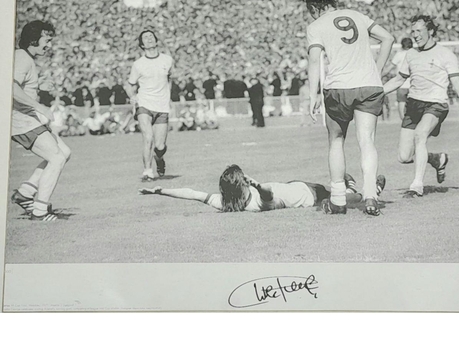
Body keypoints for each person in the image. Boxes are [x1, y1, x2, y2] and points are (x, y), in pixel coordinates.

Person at [306, 0, 395, 216]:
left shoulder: (316, 26)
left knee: (336, 139)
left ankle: (337, 200)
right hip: (368, 84)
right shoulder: (357, 15)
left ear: (315, 8)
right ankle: (371, 197)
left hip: (338, 88)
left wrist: (313, 94)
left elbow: (315, 60)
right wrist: (377, 70)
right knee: (367, 141)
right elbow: (388, 38)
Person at [383, 15, 459, 198]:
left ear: (430, 31)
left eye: (419, 31)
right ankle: (437, 159)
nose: (415, 35)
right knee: (404, 156)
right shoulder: (411, 54)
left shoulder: (445, 54)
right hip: (413, 104)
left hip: (436, 104)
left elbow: (457, 84)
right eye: (413, 31)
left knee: (420, 135)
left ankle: (416, 186)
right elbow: (399, 79)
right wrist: (377, 92)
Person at [10, 21, 71, 221]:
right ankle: (39, 211)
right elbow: (11, 87)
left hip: (28, 119)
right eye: (47, 40)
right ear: (34, 39)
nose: (49, 45)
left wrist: (39, 87)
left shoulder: (26, 58)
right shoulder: (22, 58)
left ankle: (25, 193)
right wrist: (40, 106)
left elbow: (21, 85)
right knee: (57, 158)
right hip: (21, 120)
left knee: (64, 152)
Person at [139, 164, 386, 213]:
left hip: (292, 186)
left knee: (336, 190)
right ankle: (368, 189)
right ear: (242, 184)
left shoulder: (225, 203)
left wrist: (160, 191)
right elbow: (267, 194)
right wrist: (257, 183)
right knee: (344, 197)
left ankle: (352, 184)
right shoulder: (258, 201)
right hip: (306, 194)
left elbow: (192, 194)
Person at [127, 30, 174, 181]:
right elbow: (130, 85)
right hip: (144, 103)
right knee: (148, 137)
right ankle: (147, 171)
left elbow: (170, 78)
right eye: (145, 38)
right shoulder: (138, 64)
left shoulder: (167, 60)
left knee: (160, 146)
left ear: (156, 40)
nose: (149, 39)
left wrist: (169, 97)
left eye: (151, 36)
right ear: (142, 44)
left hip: (162, 106)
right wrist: (132, 97)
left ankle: (159, 160)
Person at [390, 37, 413, 119]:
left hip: (401, 85)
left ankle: (404, 124)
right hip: (413, 85)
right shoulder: (415, 54)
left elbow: (390, 67)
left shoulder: (399, 55)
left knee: (401, 105)